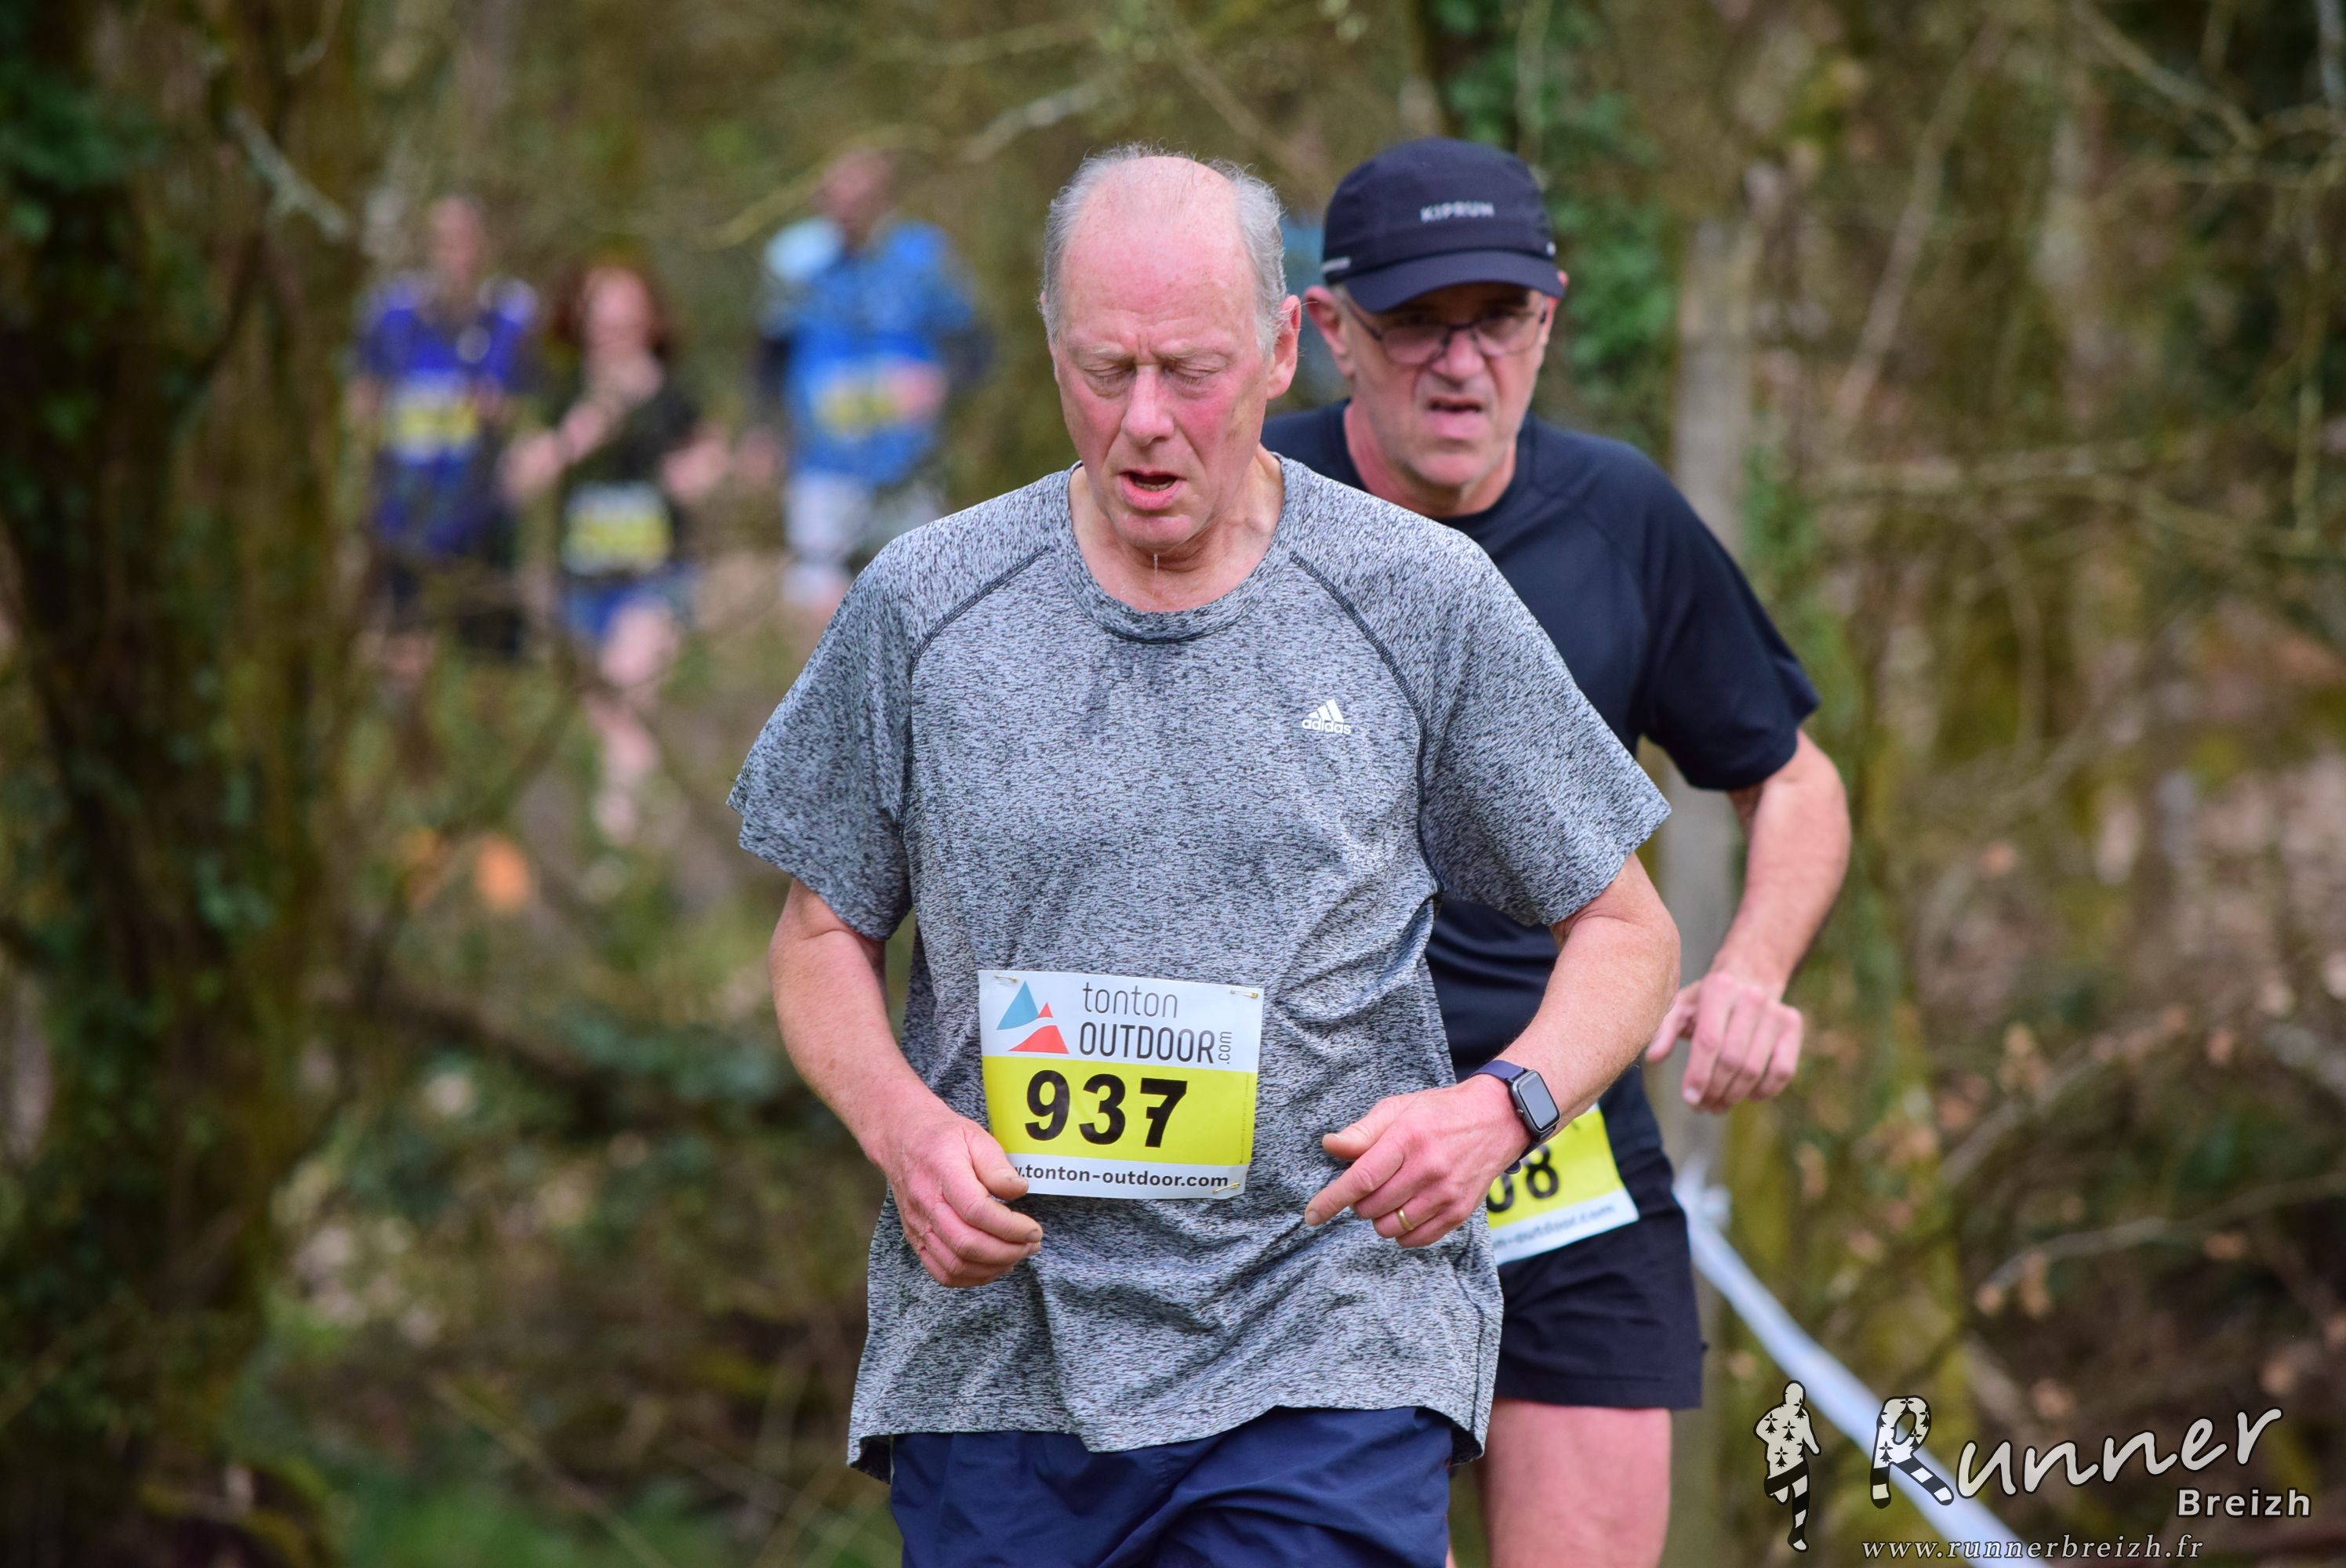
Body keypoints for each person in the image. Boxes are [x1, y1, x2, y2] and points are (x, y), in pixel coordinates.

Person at [728, 147, 1682, 1568]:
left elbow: (1627, 927)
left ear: (1286, 346)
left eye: (1190, 371)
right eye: (1104, 370)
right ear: (1049, 347)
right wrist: (902, 1132)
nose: (1145, 422)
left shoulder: (1416, 599)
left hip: (1328, 1338)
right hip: (998, 1359)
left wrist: (1501, 1110)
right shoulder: (929, 605)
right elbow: (819, 933)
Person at [1264, 137, 1854, 1568]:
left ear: (1550, 318)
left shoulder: (1618, 518)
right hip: (1305, 1159)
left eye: (1499, 318)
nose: (1460, 364)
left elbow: (1792, 779)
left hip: (1555, 1133)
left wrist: (1752, 969)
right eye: (1416, 322)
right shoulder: (1244, 508)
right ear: (1330, 328)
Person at [504, 259, 728, 844]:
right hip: (579, 586)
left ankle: (618, 847)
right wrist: (576, 436)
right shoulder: (563, 395)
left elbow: (710, 458)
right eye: (602, 321)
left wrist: (698, 471)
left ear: (650, 322)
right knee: (609, 720)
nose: (613, 333)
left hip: (655, 580)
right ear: (581, 324)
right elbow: (518, 479)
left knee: (629, 689)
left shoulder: (673, 397)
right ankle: (649, 830)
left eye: (626, 320)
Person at [747, 149, 990, 622]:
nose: (848, 209)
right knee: (818, 608)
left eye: (861, 196)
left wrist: (942, 381)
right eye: (837, 196)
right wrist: (763, 430)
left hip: (908, 468)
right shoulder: (794, 263)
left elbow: (975, 346)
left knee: (918, 606)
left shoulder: (924, 258)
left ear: (886, 197)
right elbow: (768, 354)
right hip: (823, 465)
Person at [350, 194, 536, 662]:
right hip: (403, 517)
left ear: (485, 246)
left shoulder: (509, 318)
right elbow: (361, 406)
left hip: (481, 519)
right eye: (442, 241)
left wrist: (497, 412)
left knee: (488, 660)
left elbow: (525, 412)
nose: (455, 254)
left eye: (465, 240)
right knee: (404, 650)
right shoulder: (390, 317)